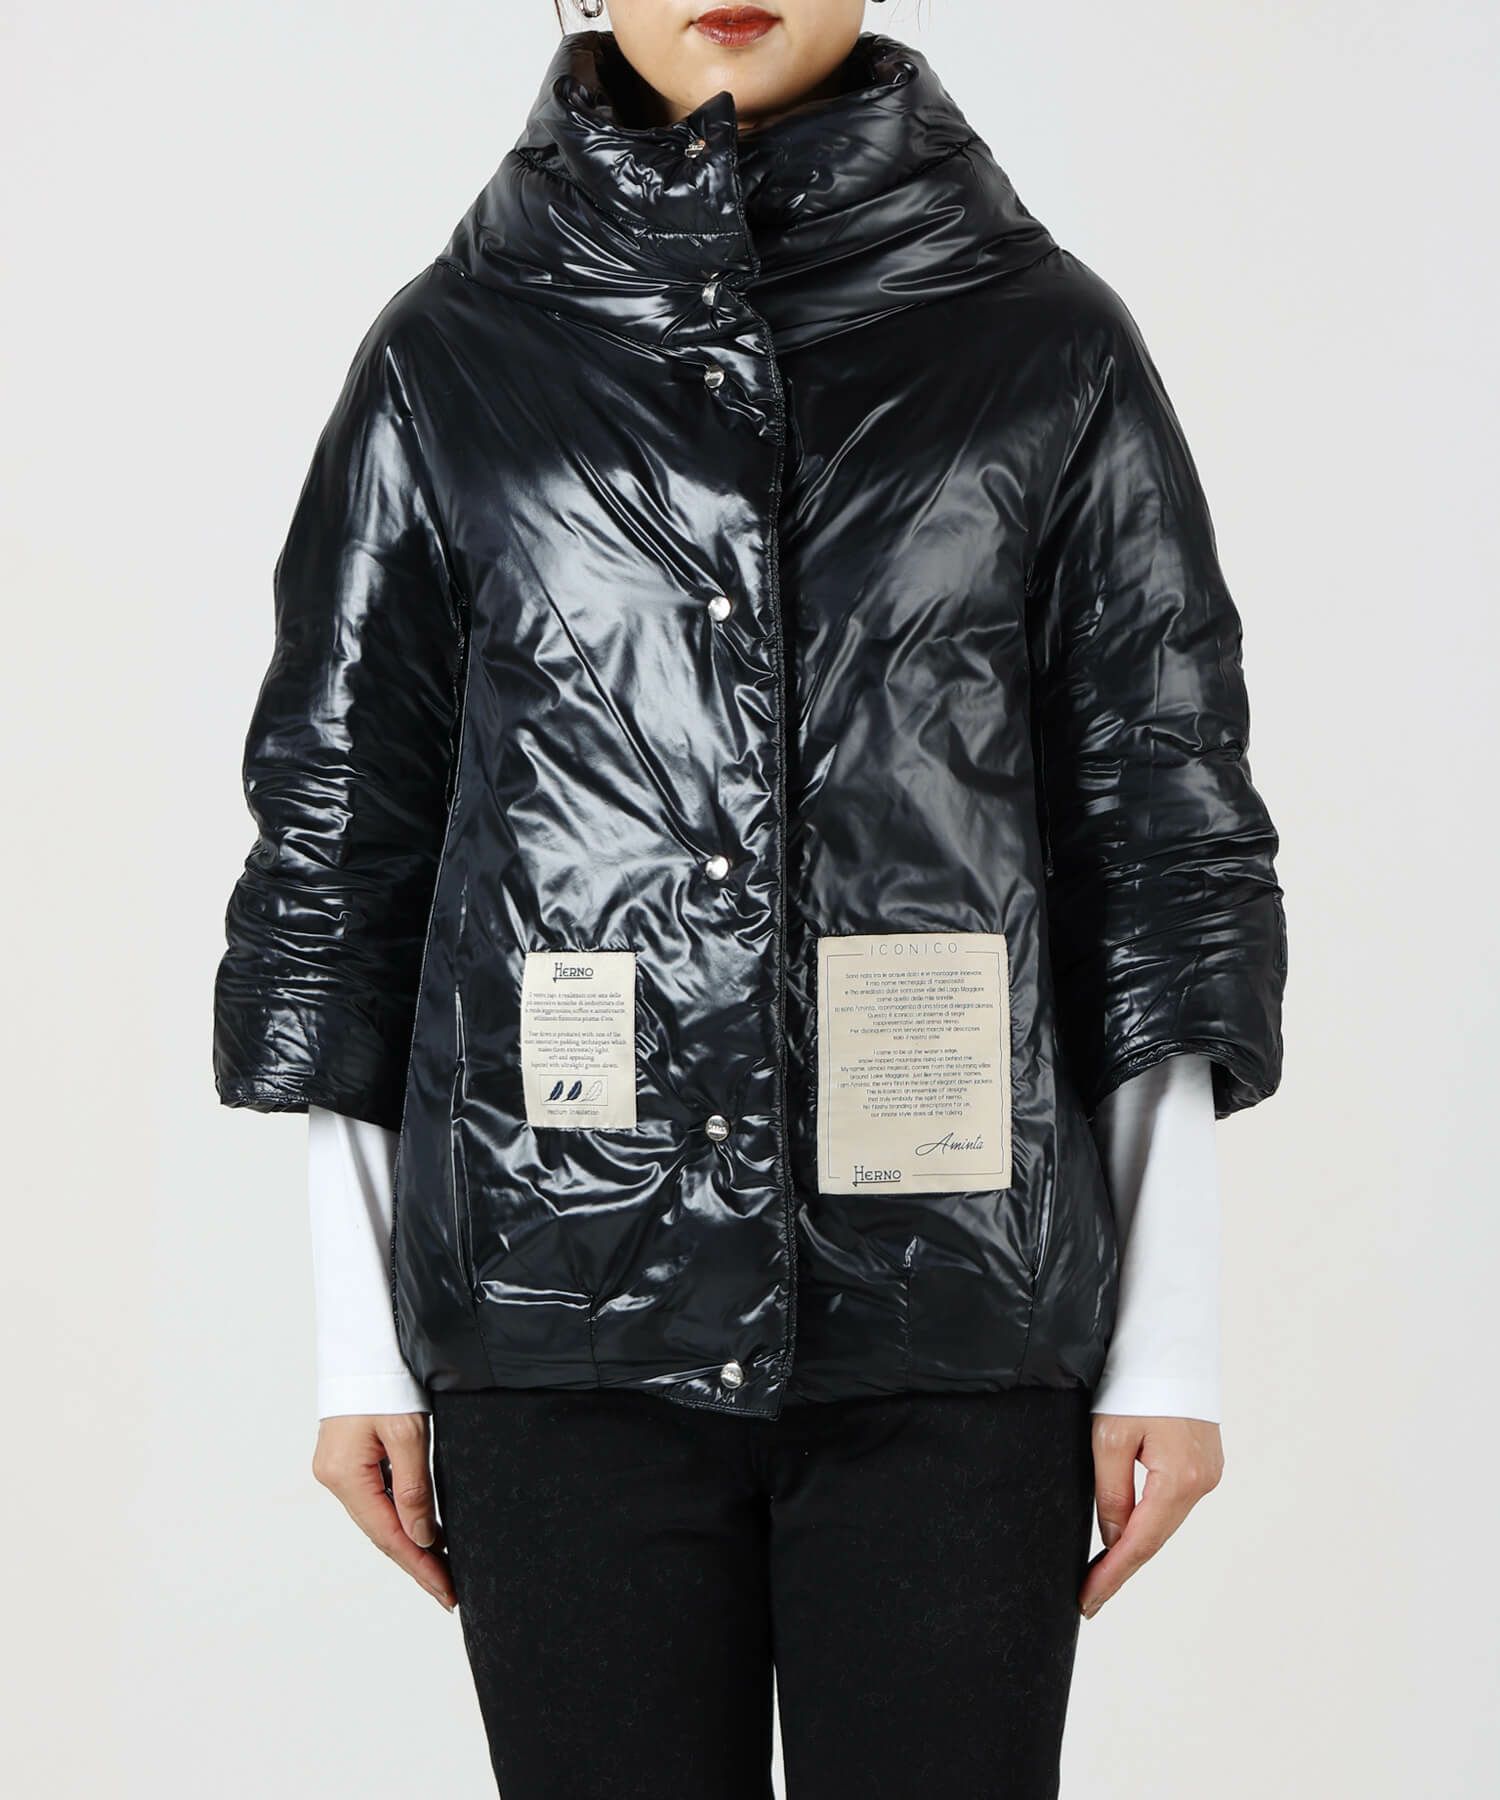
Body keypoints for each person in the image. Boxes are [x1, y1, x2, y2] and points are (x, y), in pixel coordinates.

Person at [212, 3, 1287, 1794]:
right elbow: (342, 843)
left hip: (960, 1316)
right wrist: (357, 1345)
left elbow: (1160, 834)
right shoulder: (451, 356)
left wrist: (1167, 1346)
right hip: (555, 1312)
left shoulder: (1045, 345)